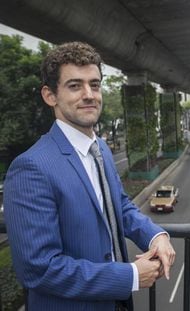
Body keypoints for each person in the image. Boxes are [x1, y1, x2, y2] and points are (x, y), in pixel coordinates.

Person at [3, 41, 175, 311]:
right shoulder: (31, 167)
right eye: (75, 86)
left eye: (94, 85)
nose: (89, 94)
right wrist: (129, 276)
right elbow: (38, 268)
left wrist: (155, 236)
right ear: (50, 96)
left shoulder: (101, 149)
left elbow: (120, 204)